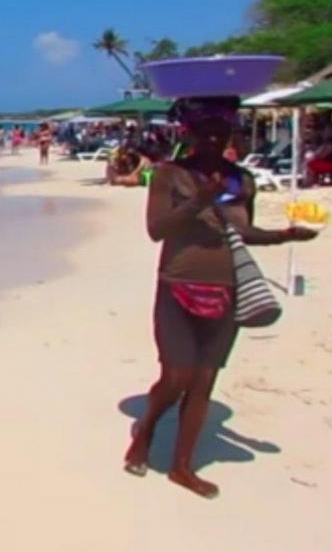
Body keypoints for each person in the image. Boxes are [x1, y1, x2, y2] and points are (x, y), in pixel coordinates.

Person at [124, 97, 317, 498]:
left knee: (204, 381)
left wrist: (284, 236)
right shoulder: (170, 174)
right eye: (206, 133)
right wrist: (199, 199)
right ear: (190, 134)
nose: (214, 139)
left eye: (221, 133)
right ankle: (146, 429)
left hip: (226, 288)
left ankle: (182, 467)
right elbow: (156, 230)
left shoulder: (241, 180)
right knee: (176, 377)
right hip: (178, 284)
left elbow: (243, 234)